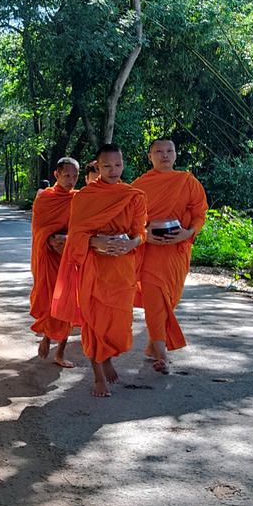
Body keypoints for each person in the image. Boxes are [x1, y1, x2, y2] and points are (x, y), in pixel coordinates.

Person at [51, 144, 146, 397]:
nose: (113, 170)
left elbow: (141, 233)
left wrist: (130, 243)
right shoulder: (85, 197)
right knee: (93, 322)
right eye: (106, 166)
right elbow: (76, 236)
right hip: (93, 268)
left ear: (123, 165)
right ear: (97, 166)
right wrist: (95, 242)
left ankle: (108, 356)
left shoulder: (134, 196)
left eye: (117, 165)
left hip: (122, 268)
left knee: (119, 325)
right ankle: (97, 375)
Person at [131, 138, 208, 373]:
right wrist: (144, 234)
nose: (164, 155)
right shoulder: (139, 186)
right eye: (158, 151)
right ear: (150, 157)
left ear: (175, 155)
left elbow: (199, 213)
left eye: (169, 151)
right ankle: (163, 355)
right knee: (155, 300)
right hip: (151, 250)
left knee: (169, 301)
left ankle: (153, 345)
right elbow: (130, 218)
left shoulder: (187, 181)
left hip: (177, 250)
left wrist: (187, 233)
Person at [30, 158, 79, 367]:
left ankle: (60, 352)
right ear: (56, 175)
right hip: (48, 257)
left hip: (70, 257)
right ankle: (47, 338)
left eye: (75, 176)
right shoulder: (44, 200)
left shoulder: (80, 198)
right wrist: (50, 239)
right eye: (67, 175)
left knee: (68, 304)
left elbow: (85, 226)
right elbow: (38, 230)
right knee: (51, 301)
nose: (71, 180)